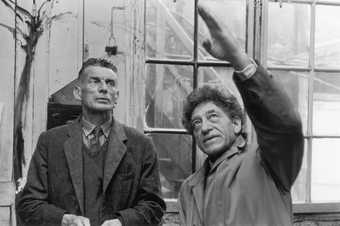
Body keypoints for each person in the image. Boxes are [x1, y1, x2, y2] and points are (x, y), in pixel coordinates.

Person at [178, 2, 304, 226]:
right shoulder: (189, 189)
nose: (204, 127)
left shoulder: (268, 163)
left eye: (213, 116)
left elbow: (286, 124)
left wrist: (238, 59)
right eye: (196, 123)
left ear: (236, 124)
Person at [16, 58, 166, 226]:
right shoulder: (50, 143)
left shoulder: (141, 145)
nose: (103, 88)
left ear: (116, 96)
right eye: (95, 82)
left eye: (110, 83)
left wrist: (122, 222)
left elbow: (154, 205)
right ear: (78, 93)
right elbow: (29, 204)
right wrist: (64, 219)